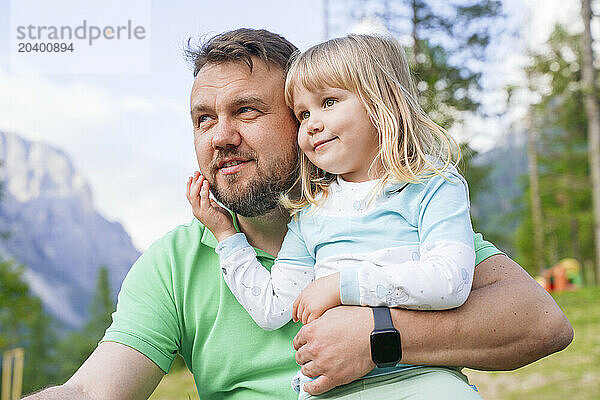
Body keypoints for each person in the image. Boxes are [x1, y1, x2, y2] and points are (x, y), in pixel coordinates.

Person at [23, 28, 573, 400]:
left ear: (301, 120)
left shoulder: (392, 207)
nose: (221, 137)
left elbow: (541, 324)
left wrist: (379, 336)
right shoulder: (176, 260)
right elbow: (92, 391)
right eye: (203, 119)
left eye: (247, 111)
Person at [188, 33, 480, 399]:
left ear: (381, 103)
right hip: (331, 391)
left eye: (328, 102)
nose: (310, 124)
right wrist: (226, 237)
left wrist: (343, 286)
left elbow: (449, 281)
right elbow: (272, 307)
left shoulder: (431, 186)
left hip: (420, 381)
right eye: (303, 114)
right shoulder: (312, 211)